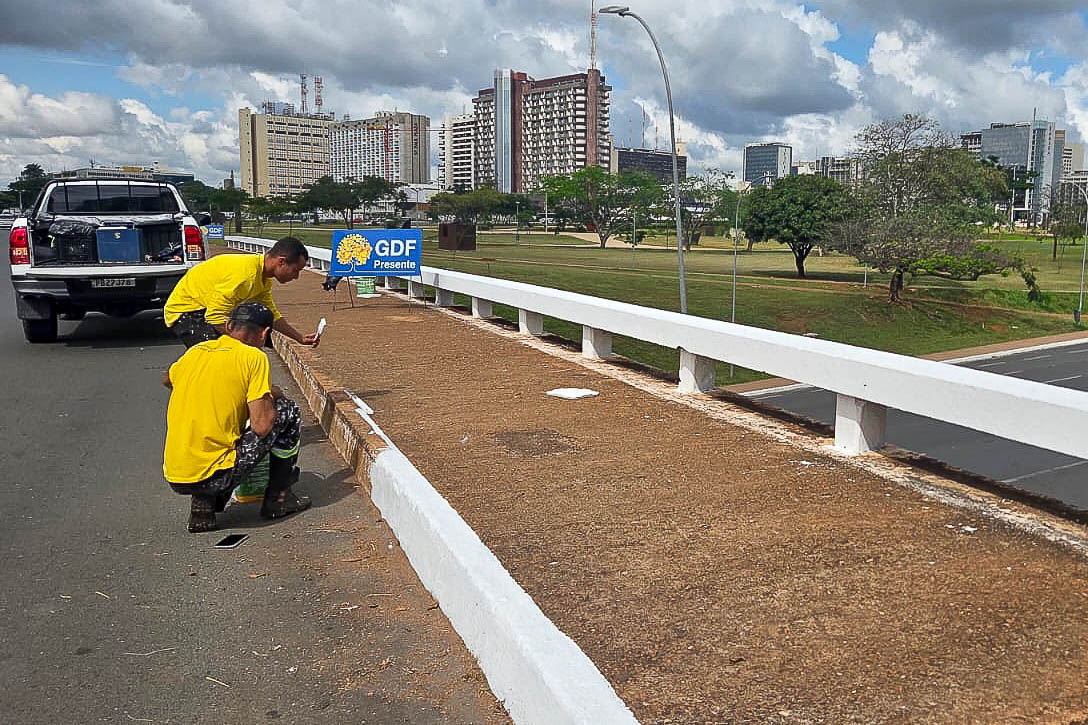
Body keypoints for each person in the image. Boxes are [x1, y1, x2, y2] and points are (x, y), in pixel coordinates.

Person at [162, 301, 311, 532]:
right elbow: (262, 426)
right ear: (265, 333)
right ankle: (279, 499)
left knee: (225, 427)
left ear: (229, 326)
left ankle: (203, 504)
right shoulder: (253, 357)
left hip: (176, 475)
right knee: (286, 411)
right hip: (215, 474)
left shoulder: (196, 351)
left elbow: (167, 379)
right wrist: (269, 396)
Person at [164, 236, 319, 349]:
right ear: (281, 261)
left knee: (239, 354)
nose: (296, 277)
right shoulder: (246, 275)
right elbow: (214, 317)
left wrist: (299, 338)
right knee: (223, 359)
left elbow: (272, 315)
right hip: (187, 311)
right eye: (295, 271)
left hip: (206, 310)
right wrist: (247, 341)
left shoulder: (262, 278)